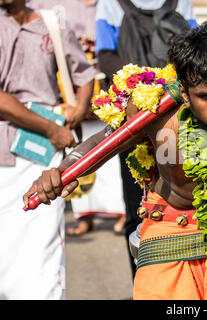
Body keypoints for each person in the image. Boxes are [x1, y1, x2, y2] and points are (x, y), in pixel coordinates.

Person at [24, 19, 207, 300]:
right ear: (186, 96)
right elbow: (106, 141)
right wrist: (64, 169)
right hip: (169, 230)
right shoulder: (157, 114)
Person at [95, 0, 197, 279]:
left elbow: (196, 47)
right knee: (137, 205)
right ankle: (142, 283)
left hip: (177, 115)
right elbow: (105, 56)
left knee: (184, 198)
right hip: (133, 119)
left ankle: (183, 280)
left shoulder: (181, 2)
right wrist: (147, 87)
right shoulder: (111, 3)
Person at [0, 0, 95, 299]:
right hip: (25, 141)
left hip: (41, 155)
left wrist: (77, 110)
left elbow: (86, 74)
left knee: (41, 245)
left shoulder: (51, 24)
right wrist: (52, 129)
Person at [27, 0, 127, 236]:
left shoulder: (107, 5)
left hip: (98, 83)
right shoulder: (43, 6)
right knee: (75, 150)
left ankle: (119, 210)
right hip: (67, 88)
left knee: (108, 147)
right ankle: (84, 215)